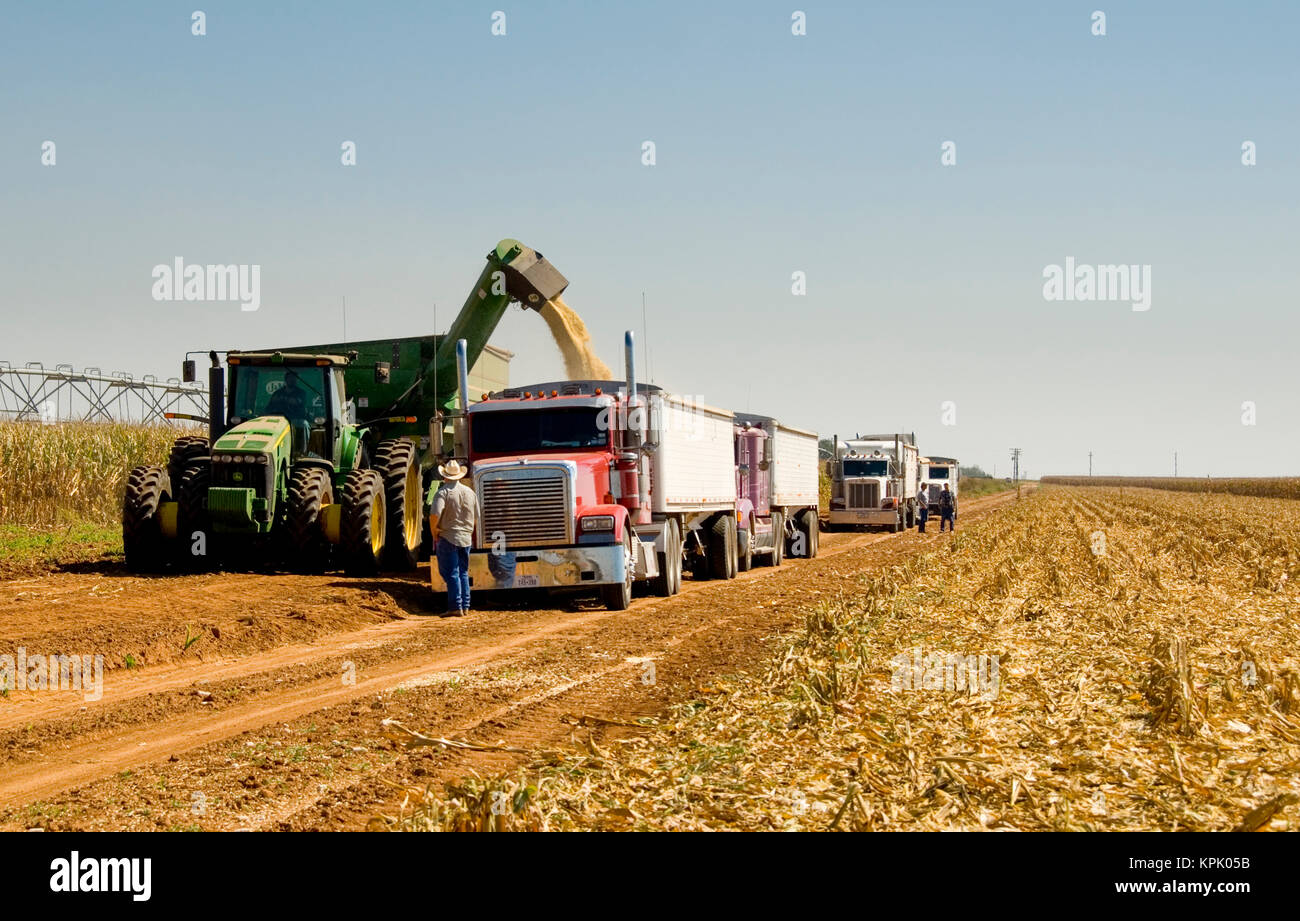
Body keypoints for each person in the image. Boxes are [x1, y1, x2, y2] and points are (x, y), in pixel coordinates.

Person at [429, 459, 478, 616]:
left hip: (448, 536)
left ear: (445, 476)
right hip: (466, 537)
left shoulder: (443, 493)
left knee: (451, 573)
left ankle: (455, 606)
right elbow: (476, 516)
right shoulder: (470, 492)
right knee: (462, 572)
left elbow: (435, 515)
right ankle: (465, 605)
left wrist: (434, 531)